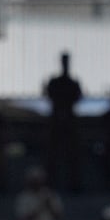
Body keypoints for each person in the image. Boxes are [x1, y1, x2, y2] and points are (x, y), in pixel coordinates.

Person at [43, 51, 83, 193]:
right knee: (52, 155)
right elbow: (49, 95)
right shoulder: (55, 82)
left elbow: (78, 97)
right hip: (56, 123)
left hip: (69, 123)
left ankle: (74, 184)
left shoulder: (73, 82)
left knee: (72, 155)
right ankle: (50, 184)